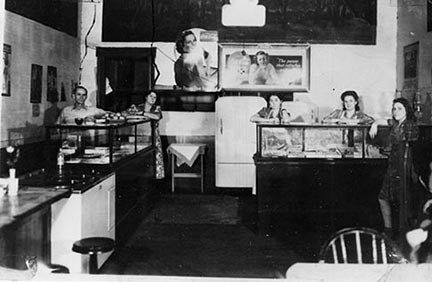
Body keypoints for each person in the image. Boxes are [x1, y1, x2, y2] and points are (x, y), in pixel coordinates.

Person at [369, 97, 419, 238]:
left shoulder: (409, 125)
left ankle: (404, 236)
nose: (395, 111)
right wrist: (375, 124)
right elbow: (382, 121)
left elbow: (412, 148)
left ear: (406, 110)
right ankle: (388, 231)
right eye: (394, 108)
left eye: (399, 108)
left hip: (403, 168)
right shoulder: (395, 123)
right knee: (383, 198)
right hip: (392, 167)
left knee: (404, 202)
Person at [126, 92, 165, 180]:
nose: (152, 99)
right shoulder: (138, 107)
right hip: (139, 136)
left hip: (153, 137)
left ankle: (153, 180)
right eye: (151, 96)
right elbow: (128, 113)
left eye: (155, 97)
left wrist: (142, 113)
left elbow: (157, 116)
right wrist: (132, 110)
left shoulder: (156, 108)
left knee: (153, 159)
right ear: (146, 97)